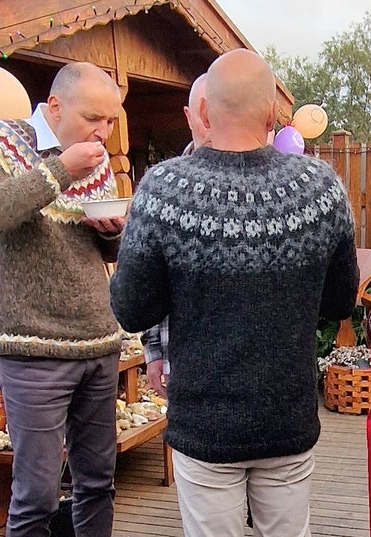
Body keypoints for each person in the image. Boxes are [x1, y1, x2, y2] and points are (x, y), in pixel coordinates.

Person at [109, 49, 358, 537]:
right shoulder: (320, 189)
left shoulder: (162, 191)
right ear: (272, 114)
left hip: (204, 422)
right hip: (286, 416)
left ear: (203, 112)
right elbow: (339, 302)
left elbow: (132, 308)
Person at [0, 62, 126, 537]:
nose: (104, 131)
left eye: (111, 121)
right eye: (94, 118)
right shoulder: (1, 139)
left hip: (99, 342)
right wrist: (59, 169)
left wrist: (114, 234)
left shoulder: (97, 160)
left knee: (98, 484)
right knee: (36, 496)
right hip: (33, 350)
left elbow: (98, 249)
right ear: (54, 106)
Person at [142, 72, 213, 398]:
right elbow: (150, 281)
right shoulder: (164, 189)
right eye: (205, 115)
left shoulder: (273, 189)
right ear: (190, 116)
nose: (213, 124)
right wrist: (154, 351)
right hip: (181, 367)